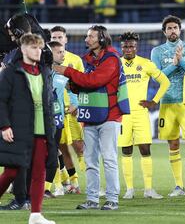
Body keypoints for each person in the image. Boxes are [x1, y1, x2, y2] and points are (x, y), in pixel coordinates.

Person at [53, 25, 130, 210]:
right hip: (90, 115)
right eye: (87, 36)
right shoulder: (88, 60)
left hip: (109, 116)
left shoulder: (112, 59)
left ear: (101, 39)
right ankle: (93, 199)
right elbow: (84, 85)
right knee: (90, 160)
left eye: (91, 37)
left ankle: (112, 198)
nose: (86, 40)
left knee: (109, 159)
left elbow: (95, 81)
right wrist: (73, 85)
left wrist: (67, 72)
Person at [0, 33, 57, 224]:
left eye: (40, 48)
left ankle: (36, 215)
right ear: (23, 49)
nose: (38, 51)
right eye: (34, 47)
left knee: (39, 172)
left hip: (42, 131)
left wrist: (51, 131)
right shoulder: (10, 72)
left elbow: (48, 104)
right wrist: (5, 125)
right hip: (18, 130)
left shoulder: (45, 73)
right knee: (11, 172)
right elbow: (1, 101)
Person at [151, 15, 185, 197]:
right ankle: (179, 186)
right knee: (172, 144)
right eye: (169, 28)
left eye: (175, 27)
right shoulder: (157, 51)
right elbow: (157, 77)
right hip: (167, 102)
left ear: (180, 30)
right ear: (164, 32)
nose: (173, 31)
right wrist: (175, 64)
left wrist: (181, 61)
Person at [118, 32, 170, 199]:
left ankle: (148, 189)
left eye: (131, 46)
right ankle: (129, 190)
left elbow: (165, 82)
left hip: (140, 114)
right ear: (121, 47)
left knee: (145, 149)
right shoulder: (115, 64)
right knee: (126, 150)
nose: (128, 49)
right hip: (123, 114)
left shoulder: (145, 64)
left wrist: (154, 101)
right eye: (125, 46)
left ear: (136, 47)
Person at [50, 26, 85, 195]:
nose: (57, 38)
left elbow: (79, 85)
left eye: (60, 36)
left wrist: (76, 104)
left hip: (69, 112)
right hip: (53, 112)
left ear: (66, 39)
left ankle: (88, 182)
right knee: (58, 149)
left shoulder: (74, 60)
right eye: (54, 36)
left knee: (78, 146)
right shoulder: (45, 63)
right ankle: (66, 183)